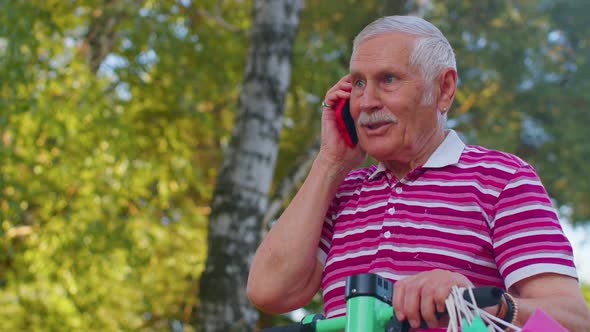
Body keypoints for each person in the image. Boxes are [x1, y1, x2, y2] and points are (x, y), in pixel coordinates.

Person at [247, 15, 590, 331]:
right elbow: (268, 292)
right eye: (358, 83)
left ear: (444, 89)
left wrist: (477, 302)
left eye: (388, 79)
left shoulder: (503, 178)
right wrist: (330, 162)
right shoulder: (341, 189)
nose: (366, 102)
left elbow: (573, 322)